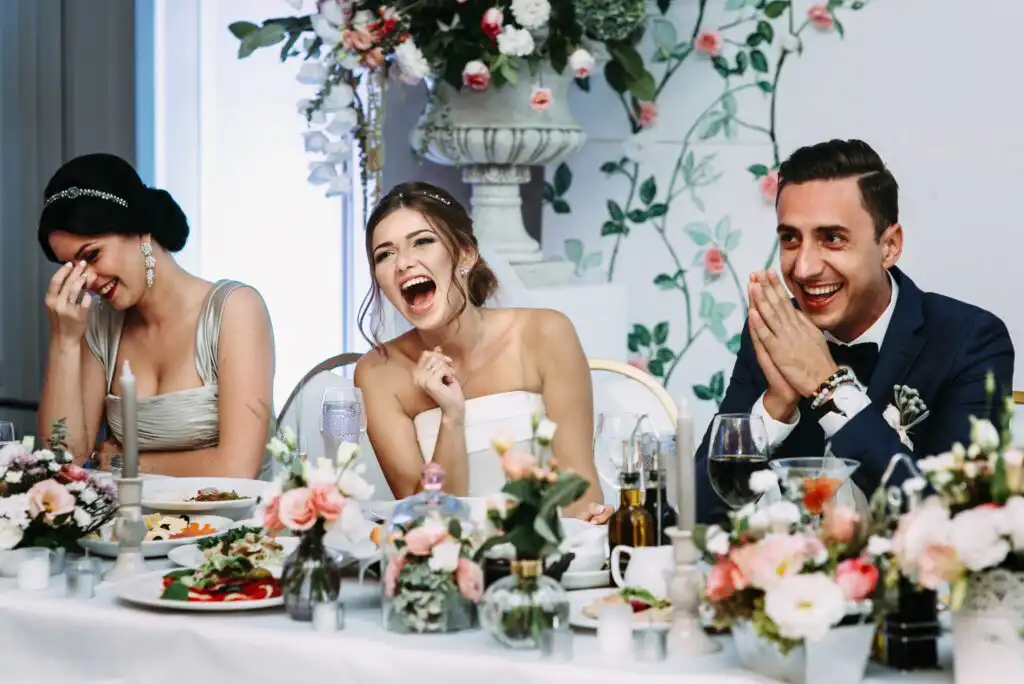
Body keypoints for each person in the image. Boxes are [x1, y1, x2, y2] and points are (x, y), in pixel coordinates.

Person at [696, 139, 1014, 523]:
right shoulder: (775, 333)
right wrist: (775, 406)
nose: (805, 268)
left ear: (889, 246)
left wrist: (827, 386)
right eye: (790, 239)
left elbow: (951, 521)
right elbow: (692, 514)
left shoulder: (969, 340)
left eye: (832, 238)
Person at [353, 181, 610, 521]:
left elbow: (579, 488)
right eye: (384, 254)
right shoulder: (378, 374)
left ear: (465, 253)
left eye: (422, 241)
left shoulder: (546, 334)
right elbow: (426, 522)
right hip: (445, 563)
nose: (402, 263)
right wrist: (451, 417)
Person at [36, 153, 276, 479]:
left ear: (141, 231)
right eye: (72, 268)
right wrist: (63, 341)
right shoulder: (101, 325)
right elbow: (64, 462)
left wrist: (123, 463)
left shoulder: (236, 311)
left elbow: (236, 469)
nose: (87, 281)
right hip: (135, 525)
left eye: (92, 256)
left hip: (234, 524)